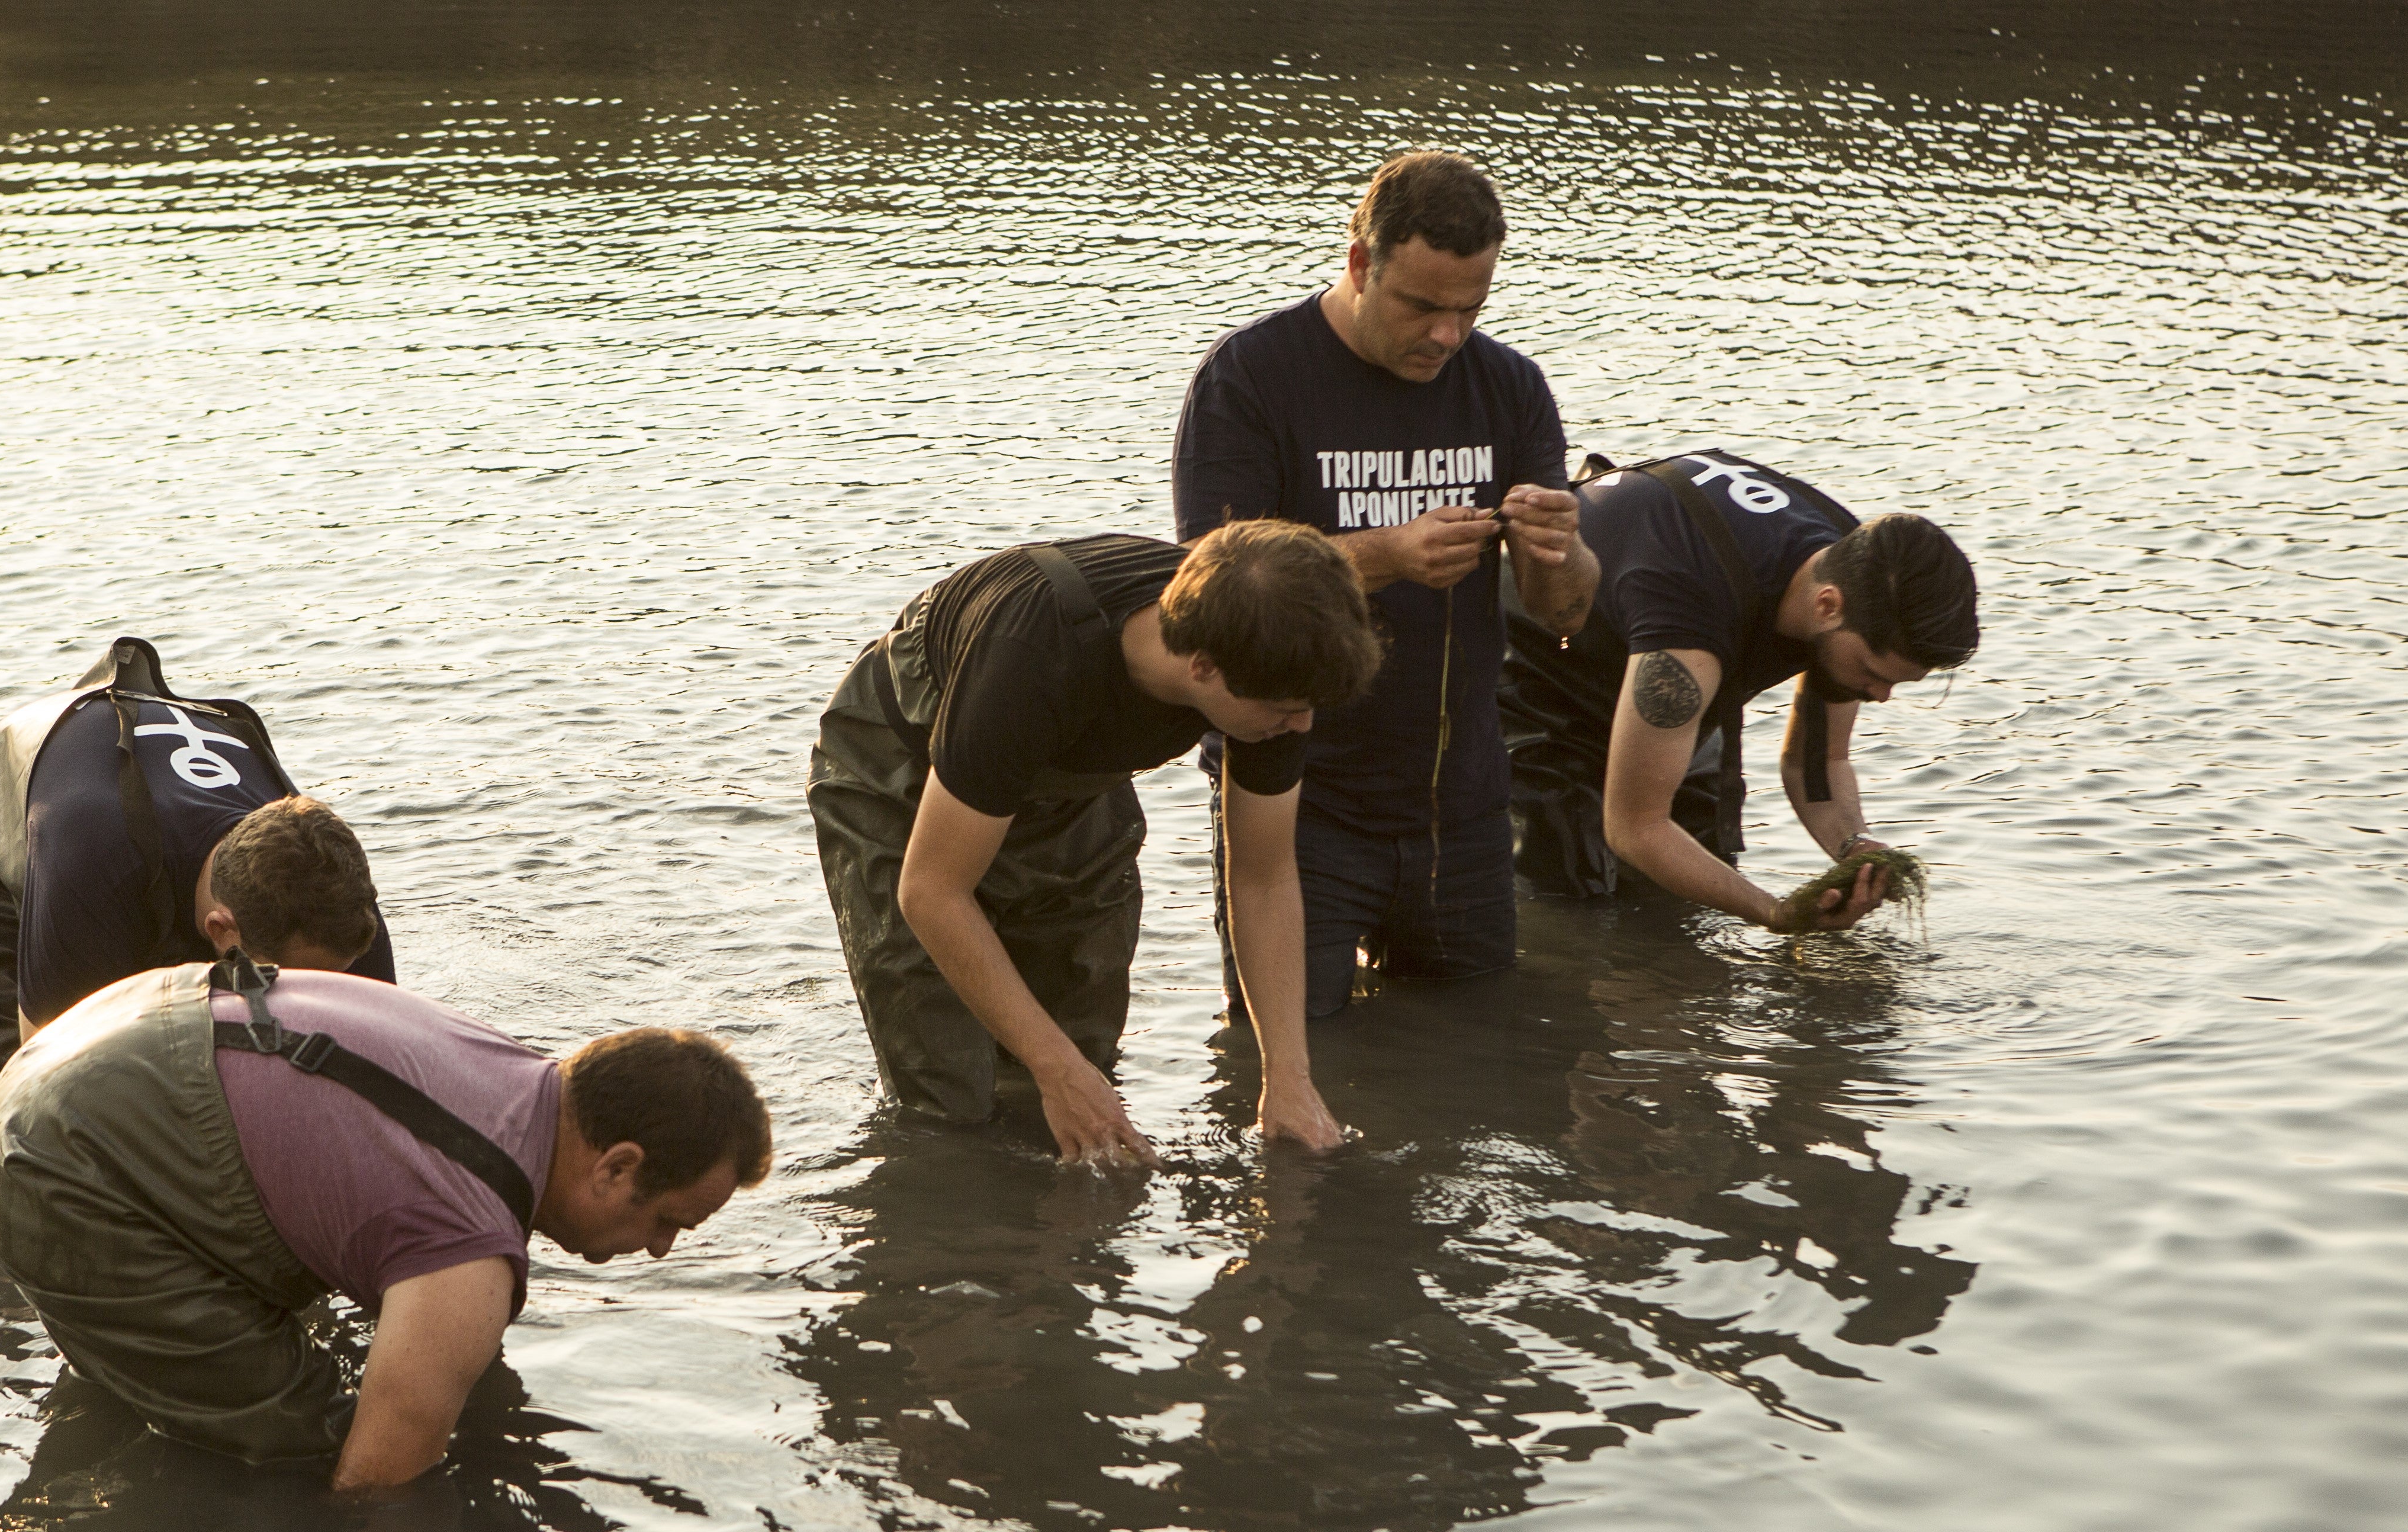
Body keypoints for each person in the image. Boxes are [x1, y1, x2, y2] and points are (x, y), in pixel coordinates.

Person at [0, 933, 773, 1493]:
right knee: (301, 1448)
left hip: (94, 1039)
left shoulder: (503, 1071)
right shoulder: (469, 1257)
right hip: (59, 1162)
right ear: (618, 1165)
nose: (663, 1250)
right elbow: (372, 1484)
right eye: (669, 1220)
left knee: (260, 1347)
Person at [806, 518, 1378, 1164]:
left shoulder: (1277, 663)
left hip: (1067, 781)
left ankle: (1072, 1241)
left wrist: (1288, 1079)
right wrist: (1055, 1072)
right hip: (899, 768)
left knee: (1086, 1047)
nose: (1300, 726)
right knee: (950, 1091)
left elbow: (1264, 876)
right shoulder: (1032, 652)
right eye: (1284, 710)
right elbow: (932, 891)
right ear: (1201, 667)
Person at [1173, 148, 1596, 1014]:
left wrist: (1561, 551)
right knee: (1290, 1059)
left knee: (1478, 1057)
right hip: (1294, 799)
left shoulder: (1509, 387)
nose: (1444, 336)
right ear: (1359, 264)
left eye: (1468, 311)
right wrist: (1384, 555)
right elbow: (1207, 594)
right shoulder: (1252, 377)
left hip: (1463, 802)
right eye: (1420, 307)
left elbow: (1562, 616)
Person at [1499, 449, 1981, 932]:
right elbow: (1635, 828)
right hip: (1541, 662)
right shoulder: (1687, 628)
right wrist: (1773, 913)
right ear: (1827, 605)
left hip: (1674, 649)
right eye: (1874, 674)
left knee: (1696, 886)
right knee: (1570, 893)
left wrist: (1853, 846)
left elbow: (1818, 764)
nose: (1880, 696)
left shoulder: (1858, 572)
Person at [0, 635, 397, 1094]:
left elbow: (383, 1056)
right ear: (219, 929)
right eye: (294, 980)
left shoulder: (346, 910)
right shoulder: (91, 871)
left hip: (163, 775)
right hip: (21, 788)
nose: (316, 996)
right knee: (14, 1077)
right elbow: (44, 1084)